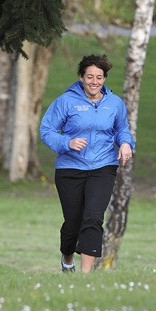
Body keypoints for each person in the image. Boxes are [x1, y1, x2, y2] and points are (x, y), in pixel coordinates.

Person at [40, 54, 134, 273]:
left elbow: (122, 129)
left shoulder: (114, 104)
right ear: (81, 77)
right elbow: (46, 131)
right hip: (69, 169)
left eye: (99, 77)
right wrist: (67, 142)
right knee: (73, 224)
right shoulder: (66, 101)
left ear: (104, 79)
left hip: (103, 167)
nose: (94, 82)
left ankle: (85, 277)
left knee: (92, 217)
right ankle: (67, 259)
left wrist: (126, 144)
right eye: (90, 76)